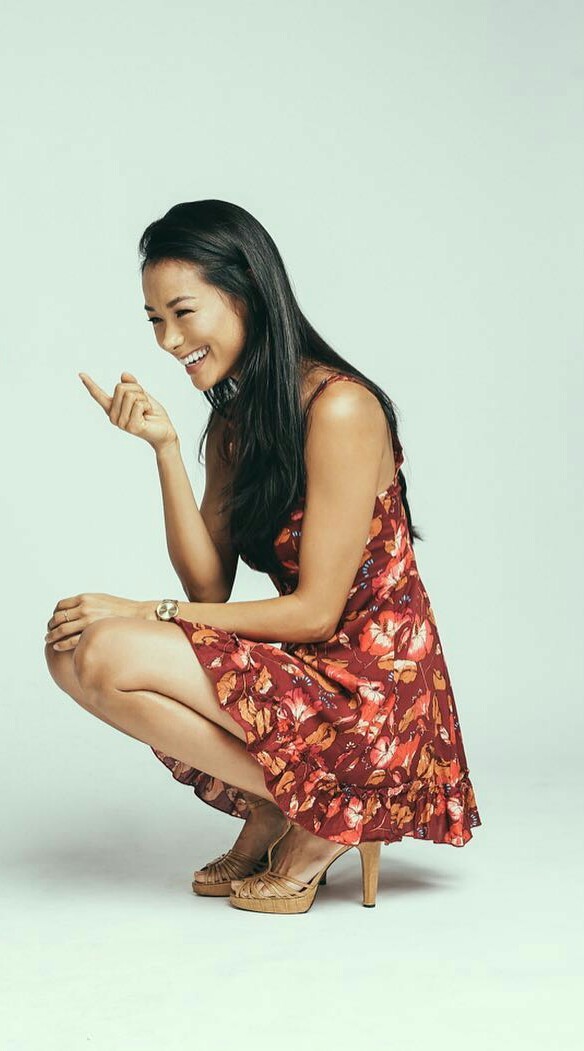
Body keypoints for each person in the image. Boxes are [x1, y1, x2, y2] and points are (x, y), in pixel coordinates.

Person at [44, 199, 482, 915]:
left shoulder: (341, 408)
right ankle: (285, 804)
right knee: (70, 651)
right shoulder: (236, 419)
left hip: (371, 702)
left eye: (183, 312)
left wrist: (145, 611)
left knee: (106, 649)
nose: (168, 340)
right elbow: (209, 583)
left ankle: (326, 814)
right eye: (154, 319)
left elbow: (314, 615)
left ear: (245, 291)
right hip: (306, 676)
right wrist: (165, 449)